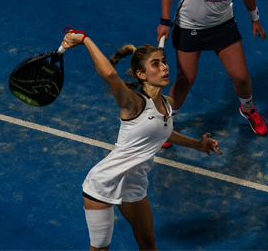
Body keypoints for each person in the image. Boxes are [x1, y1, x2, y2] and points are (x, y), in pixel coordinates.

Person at [61, 30, 222, 250]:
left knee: (148, 242)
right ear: (142, 74)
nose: (164, 67)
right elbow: (109, 75)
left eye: (164, 62)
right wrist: (85, 39)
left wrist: (197, 144)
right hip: (103, 183)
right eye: (155, 64)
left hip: (134, 183)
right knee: (100, 248)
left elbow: (162, 132)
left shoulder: (167, 103)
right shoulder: (133, 103)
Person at [157, 0, 268, 141]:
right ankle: (167, 120)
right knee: (185, 81)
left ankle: (248, 110)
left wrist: (254, 18)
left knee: (242, 78)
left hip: (222, 26)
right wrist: (165, 21)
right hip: (189, 27)